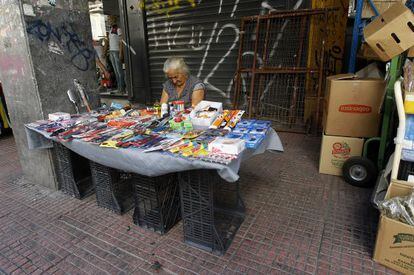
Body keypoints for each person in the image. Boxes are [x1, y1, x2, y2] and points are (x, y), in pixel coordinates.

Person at [106, 18, 125, 94]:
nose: (109, 21)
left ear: (114, 20)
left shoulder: (118, 29)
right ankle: (119, 88)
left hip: (117, 51)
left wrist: (121, 52)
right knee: (116, 71)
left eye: (110, 20)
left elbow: (121, 42)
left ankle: (122, 88)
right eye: (108, 20)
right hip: (111, 51)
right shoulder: (110, 31)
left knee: (119, 71)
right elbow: (109, 41)